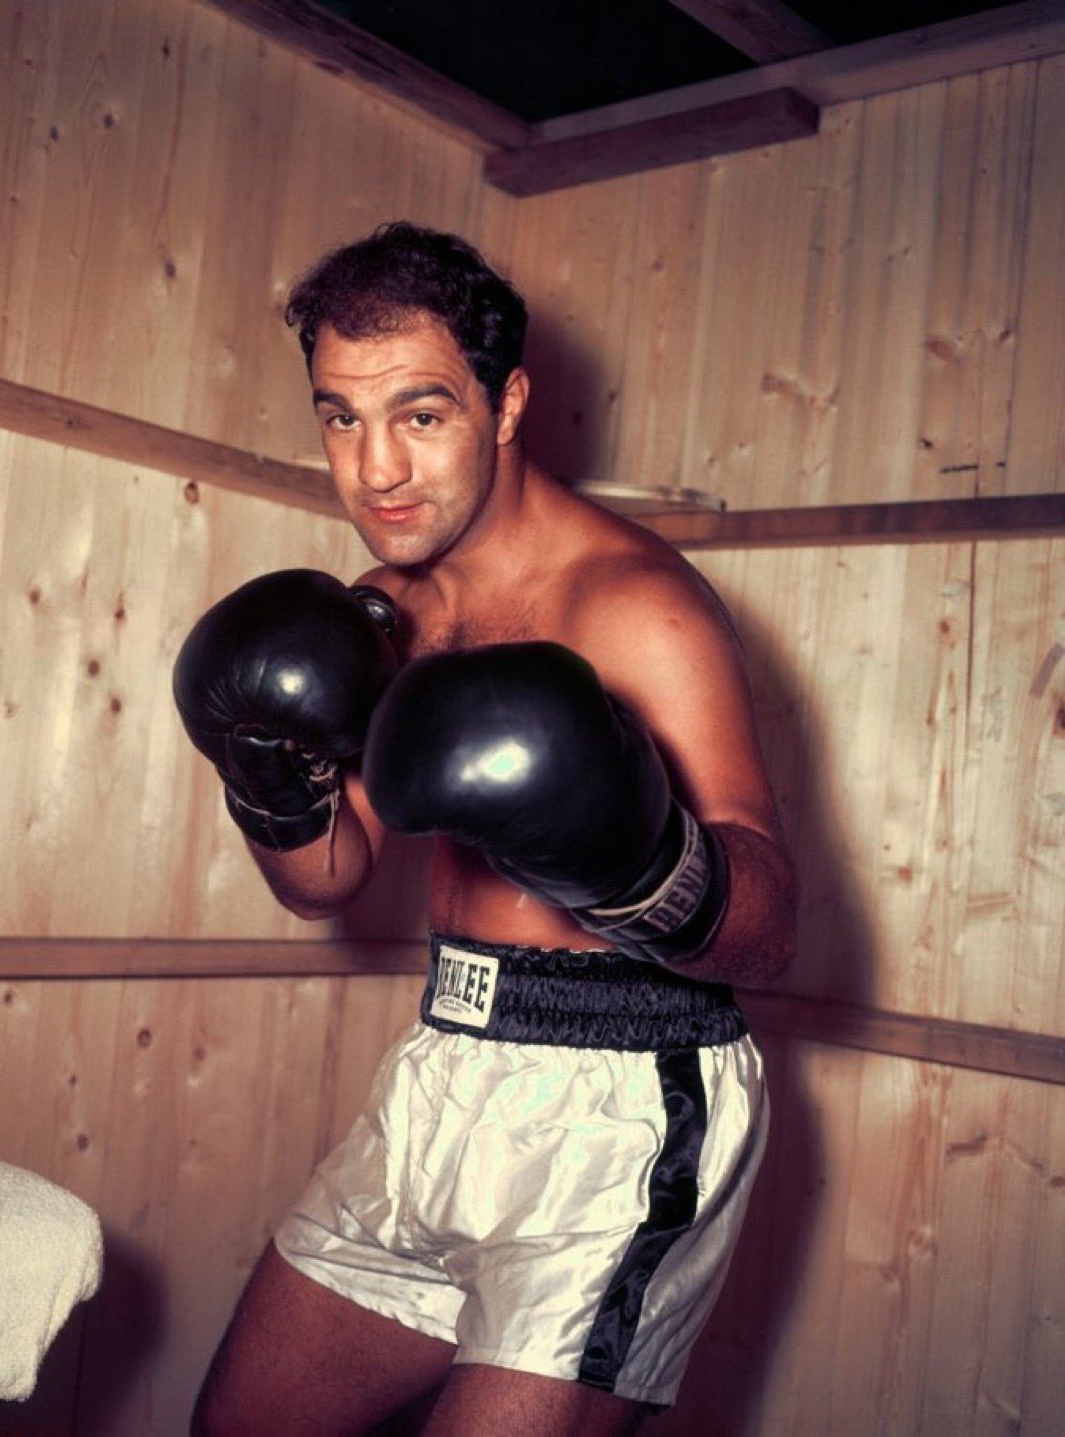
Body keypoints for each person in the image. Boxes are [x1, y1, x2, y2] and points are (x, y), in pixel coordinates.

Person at [178, 222, 796, 1437]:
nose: (377, 468)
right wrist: (266, 779)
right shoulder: (386, 609)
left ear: (506, 404)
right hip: (445, 1063)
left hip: (626, 1101)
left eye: (421, 413)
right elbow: (328, 879)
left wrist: (636, 864)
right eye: (342, 418)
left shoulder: (639, 608)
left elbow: (774, 935)